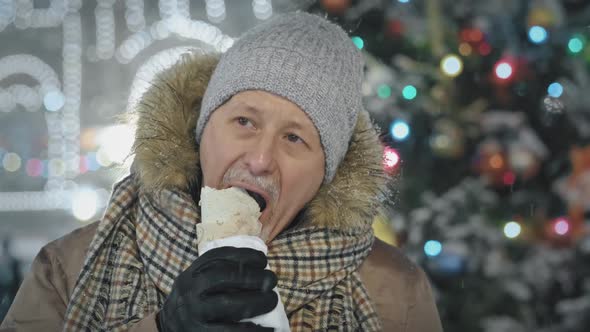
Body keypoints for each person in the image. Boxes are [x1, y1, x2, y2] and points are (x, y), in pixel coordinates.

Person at [1, 12, 442, 331]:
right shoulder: (66, 268)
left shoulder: (395, 294)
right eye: (244, 122)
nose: (260, 159)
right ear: (201, 131)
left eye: (295, 139)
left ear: (326, 173)